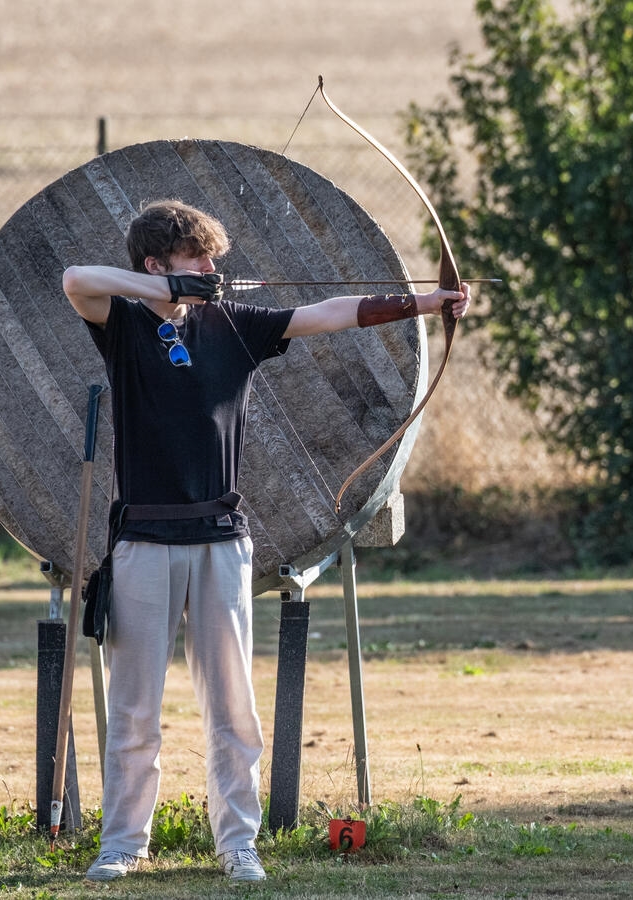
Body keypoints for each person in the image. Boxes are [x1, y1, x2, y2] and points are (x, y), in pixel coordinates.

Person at [62, 199, 469, 883]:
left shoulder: (233, 326)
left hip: (220, 537)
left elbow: (326, 314)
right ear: (160, 263)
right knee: (135, 708)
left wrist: (425, 303)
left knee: (232, 706)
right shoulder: (124, 324)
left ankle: (238, 843)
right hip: (143, 539)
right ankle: (124, 844)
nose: (213, 268)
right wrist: (161, 291)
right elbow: (77, 278)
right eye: (199, 257)